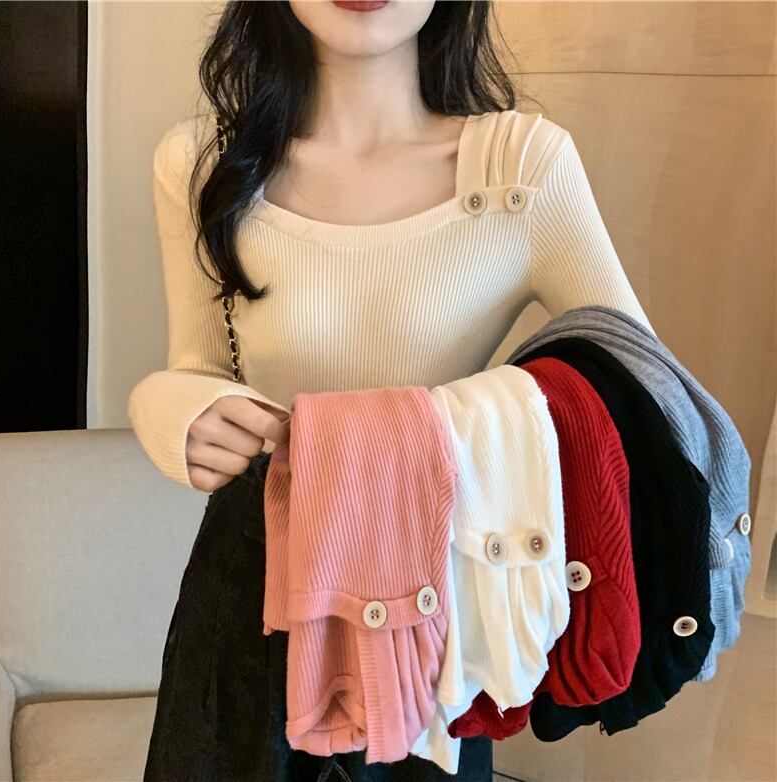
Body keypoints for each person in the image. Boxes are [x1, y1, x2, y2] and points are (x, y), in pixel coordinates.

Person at [128, 1, 654, 780]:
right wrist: (164, 405)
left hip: (427, 594)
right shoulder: (204, 160)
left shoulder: (521, 166)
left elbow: (637, 397)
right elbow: (201, 363)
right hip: (251, 585)